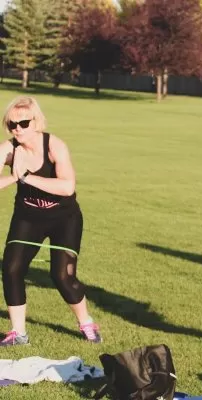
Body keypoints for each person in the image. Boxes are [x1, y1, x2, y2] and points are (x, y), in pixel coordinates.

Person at [0, 96, 102, 346]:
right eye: (12, 124)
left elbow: (67, 187)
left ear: (36, 122)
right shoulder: (9, 149)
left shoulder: (55, 146)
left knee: (62, 276)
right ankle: (18, 333)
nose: (18, 129)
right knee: (11, 268)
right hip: (27, 217)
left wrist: (26, 176)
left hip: (63, 218)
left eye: (24, 123)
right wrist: (14, 178)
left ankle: (86, 322)